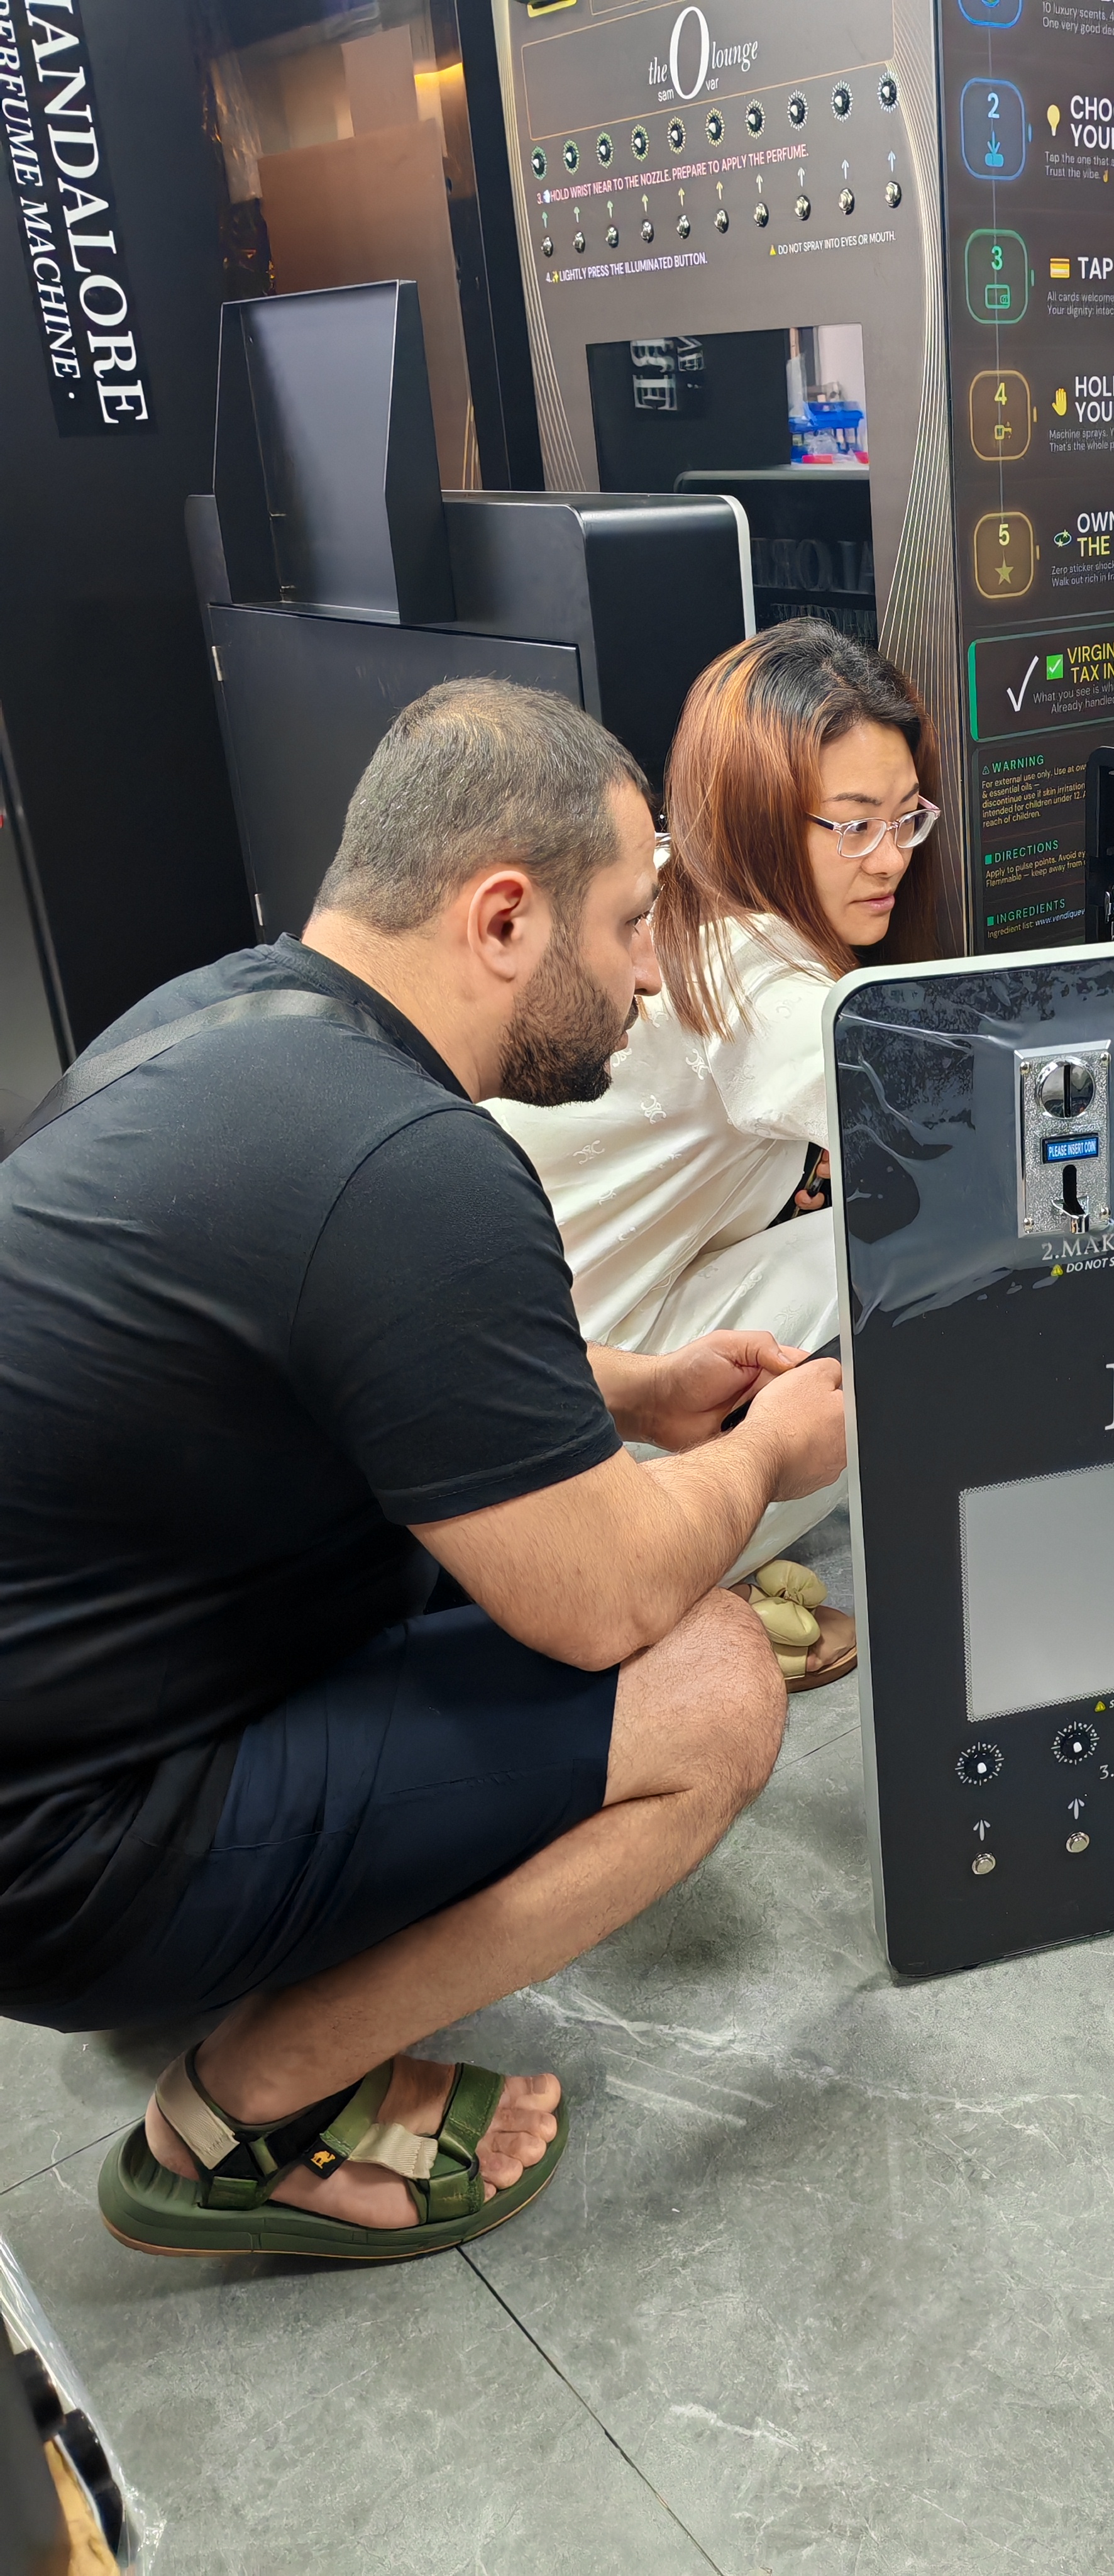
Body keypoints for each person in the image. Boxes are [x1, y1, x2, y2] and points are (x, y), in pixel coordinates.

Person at [0, 678, 846, 2265]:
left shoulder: (230, 1015)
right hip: (65, 1858)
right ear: (505, 917)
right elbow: (604, 1600)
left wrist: (642, 1388)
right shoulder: (417, 1164)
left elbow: (354, 1347)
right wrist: (762, 1455)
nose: (647, 972)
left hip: (69, 1729)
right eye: (629, 924)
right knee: (712, 1682)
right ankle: (242, 2111)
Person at [492, 620, 941, 1690]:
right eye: (853, 825)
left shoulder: (662, 890)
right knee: (911, 1247)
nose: (889, 858)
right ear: (754, 814)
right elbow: (961, 1107)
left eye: (906, 817)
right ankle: (675, 1584)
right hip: (562, 1428)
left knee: (852, 1219)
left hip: (535, 1356)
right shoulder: (749, 972)